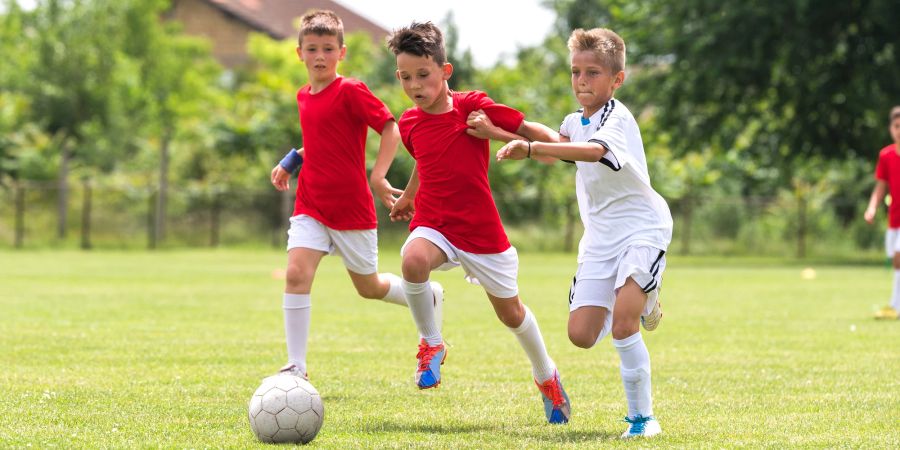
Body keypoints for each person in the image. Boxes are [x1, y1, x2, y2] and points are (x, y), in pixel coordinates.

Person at [476, 27, 672, 438]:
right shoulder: (575, 121)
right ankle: (641, 301)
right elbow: (558, 143)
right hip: (601, 239)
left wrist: (531, 148)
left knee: (623, 324)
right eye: (576, 72)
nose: (582, 81)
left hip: (642, 228)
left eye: (593, 73)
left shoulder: (617, 118)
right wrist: (504, 130)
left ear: (616, 79)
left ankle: (643, 419)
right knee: (580, 335)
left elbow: (592, 152)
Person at [385, 21, 571, 424]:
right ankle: (432, 343)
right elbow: (424, 163)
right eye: (405, 77)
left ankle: (546, 376)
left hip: (481, 233)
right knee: (412, 260)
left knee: (511, 314)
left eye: (423, 75)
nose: (415, 85)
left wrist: (555, 145)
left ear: (445, 71)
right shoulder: (409, 124)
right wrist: (409, 198)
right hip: (435, 222)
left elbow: (524, 130)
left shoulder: (472, 107)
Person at [268, 10, 443, 379]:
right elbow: (319, 141)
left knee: (369, 287)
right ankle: (296, 367)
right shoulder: (303, 96)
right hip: (311, 205)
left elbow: (390, 127)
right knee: (296, 275)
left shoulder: (350, 90)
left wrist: (377, 175)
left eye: (328, 49)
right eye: (312, 48)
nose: (320, 56)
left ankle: (429, 296)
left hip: (351, 210)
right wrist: (291, 161)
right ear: (299, 52)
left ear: (341, 53)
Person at [864, 106, 900, 320]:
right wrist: (872, 207)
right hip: (894, 219)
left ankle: (894, 305)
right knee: (894, 260)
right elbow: (880, 187)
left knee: (898, 257)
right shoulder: (885, 156)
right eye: (896, 126)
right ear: (890, 128)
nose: (899, 130)